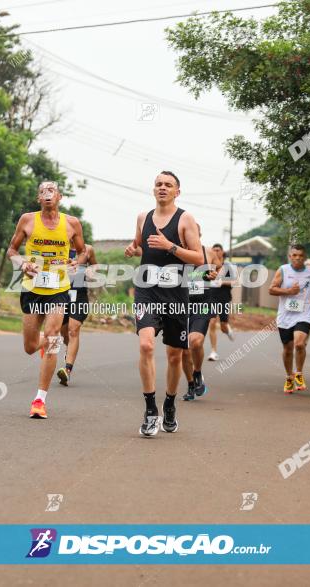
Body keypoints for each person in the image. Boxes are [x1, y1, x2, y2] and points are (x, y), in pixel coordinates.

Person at [125, 171, 204, 436]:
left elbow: (198, 259)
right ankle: (150, 409)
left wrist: (170, 246)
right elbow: (141, 246)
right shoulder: (142, 218)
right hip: (147, 291)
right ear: (153, 189)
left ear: (177, 192)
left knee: (174, 356)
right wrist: (132, 248)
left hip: (175, 294)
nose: (162, 188)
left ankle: (169, 403)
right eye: (158, 184)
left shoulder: (185, 219)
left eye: (168, 185)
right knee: (146, 344)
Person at [7, 181, 85, 419]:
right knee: (31, 346)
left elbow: (82, 251)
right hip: (33, 287)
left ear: (59, 196)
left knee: (53, 339)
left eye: (51, 191)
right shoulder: (27, 220)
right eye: (43, 191)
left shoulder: (71, 224)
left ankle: (39, 400)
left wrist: (76, 262)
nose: (47, 194)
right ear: (38, 198)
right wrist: (23, 263)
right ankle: (42, 343)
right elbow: (12, 250)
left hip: (59, 288)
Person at [269, 244, 310, 393]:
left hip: (304, 313)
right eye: (295, 255)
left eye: (301, 255)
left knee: (299, 344)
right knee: (287, 349)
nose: (298, 258)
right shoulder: (283, 270)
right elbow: (271, 289)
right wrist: (288, 291)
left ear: (304, 257)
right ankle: (289, 377)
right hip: (285, 315)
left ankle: (299, 374)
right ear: (290, 256)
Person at [181, 225, 219, 401]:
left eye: (194, 234)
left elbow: (217, 268)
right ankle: (190, 385)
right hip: (180, 303)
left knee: (195, 342)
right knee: (183, 350)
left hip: (203, 303)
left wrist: (213, 274)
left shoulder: (209, 252)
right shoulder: (176, 252)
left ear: (199, 235)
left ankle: (197, 372)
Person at [57, 243, 97, 386]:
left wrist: (88, 272)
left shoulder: (88, 250)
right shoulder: (58, 247)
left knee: (73, 329)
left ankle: (67, 370)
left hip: (79, 296)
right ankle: (69, 351)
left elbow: (94, 267)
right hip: (60, 295)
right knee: (64, 333)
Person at [206, 243, 235, 361]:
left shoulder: (228, 266)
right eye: (214, 250)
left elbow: (233, 282)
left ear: (222, 252)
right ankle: (213, 352)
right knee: (212, 322)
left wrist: (222, 281)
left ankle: (227, 330)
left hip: (224, 297)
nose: (216, 252)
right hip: (211, 297)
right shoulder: (208, 266)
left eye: (218, 250)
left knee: (223, 326)